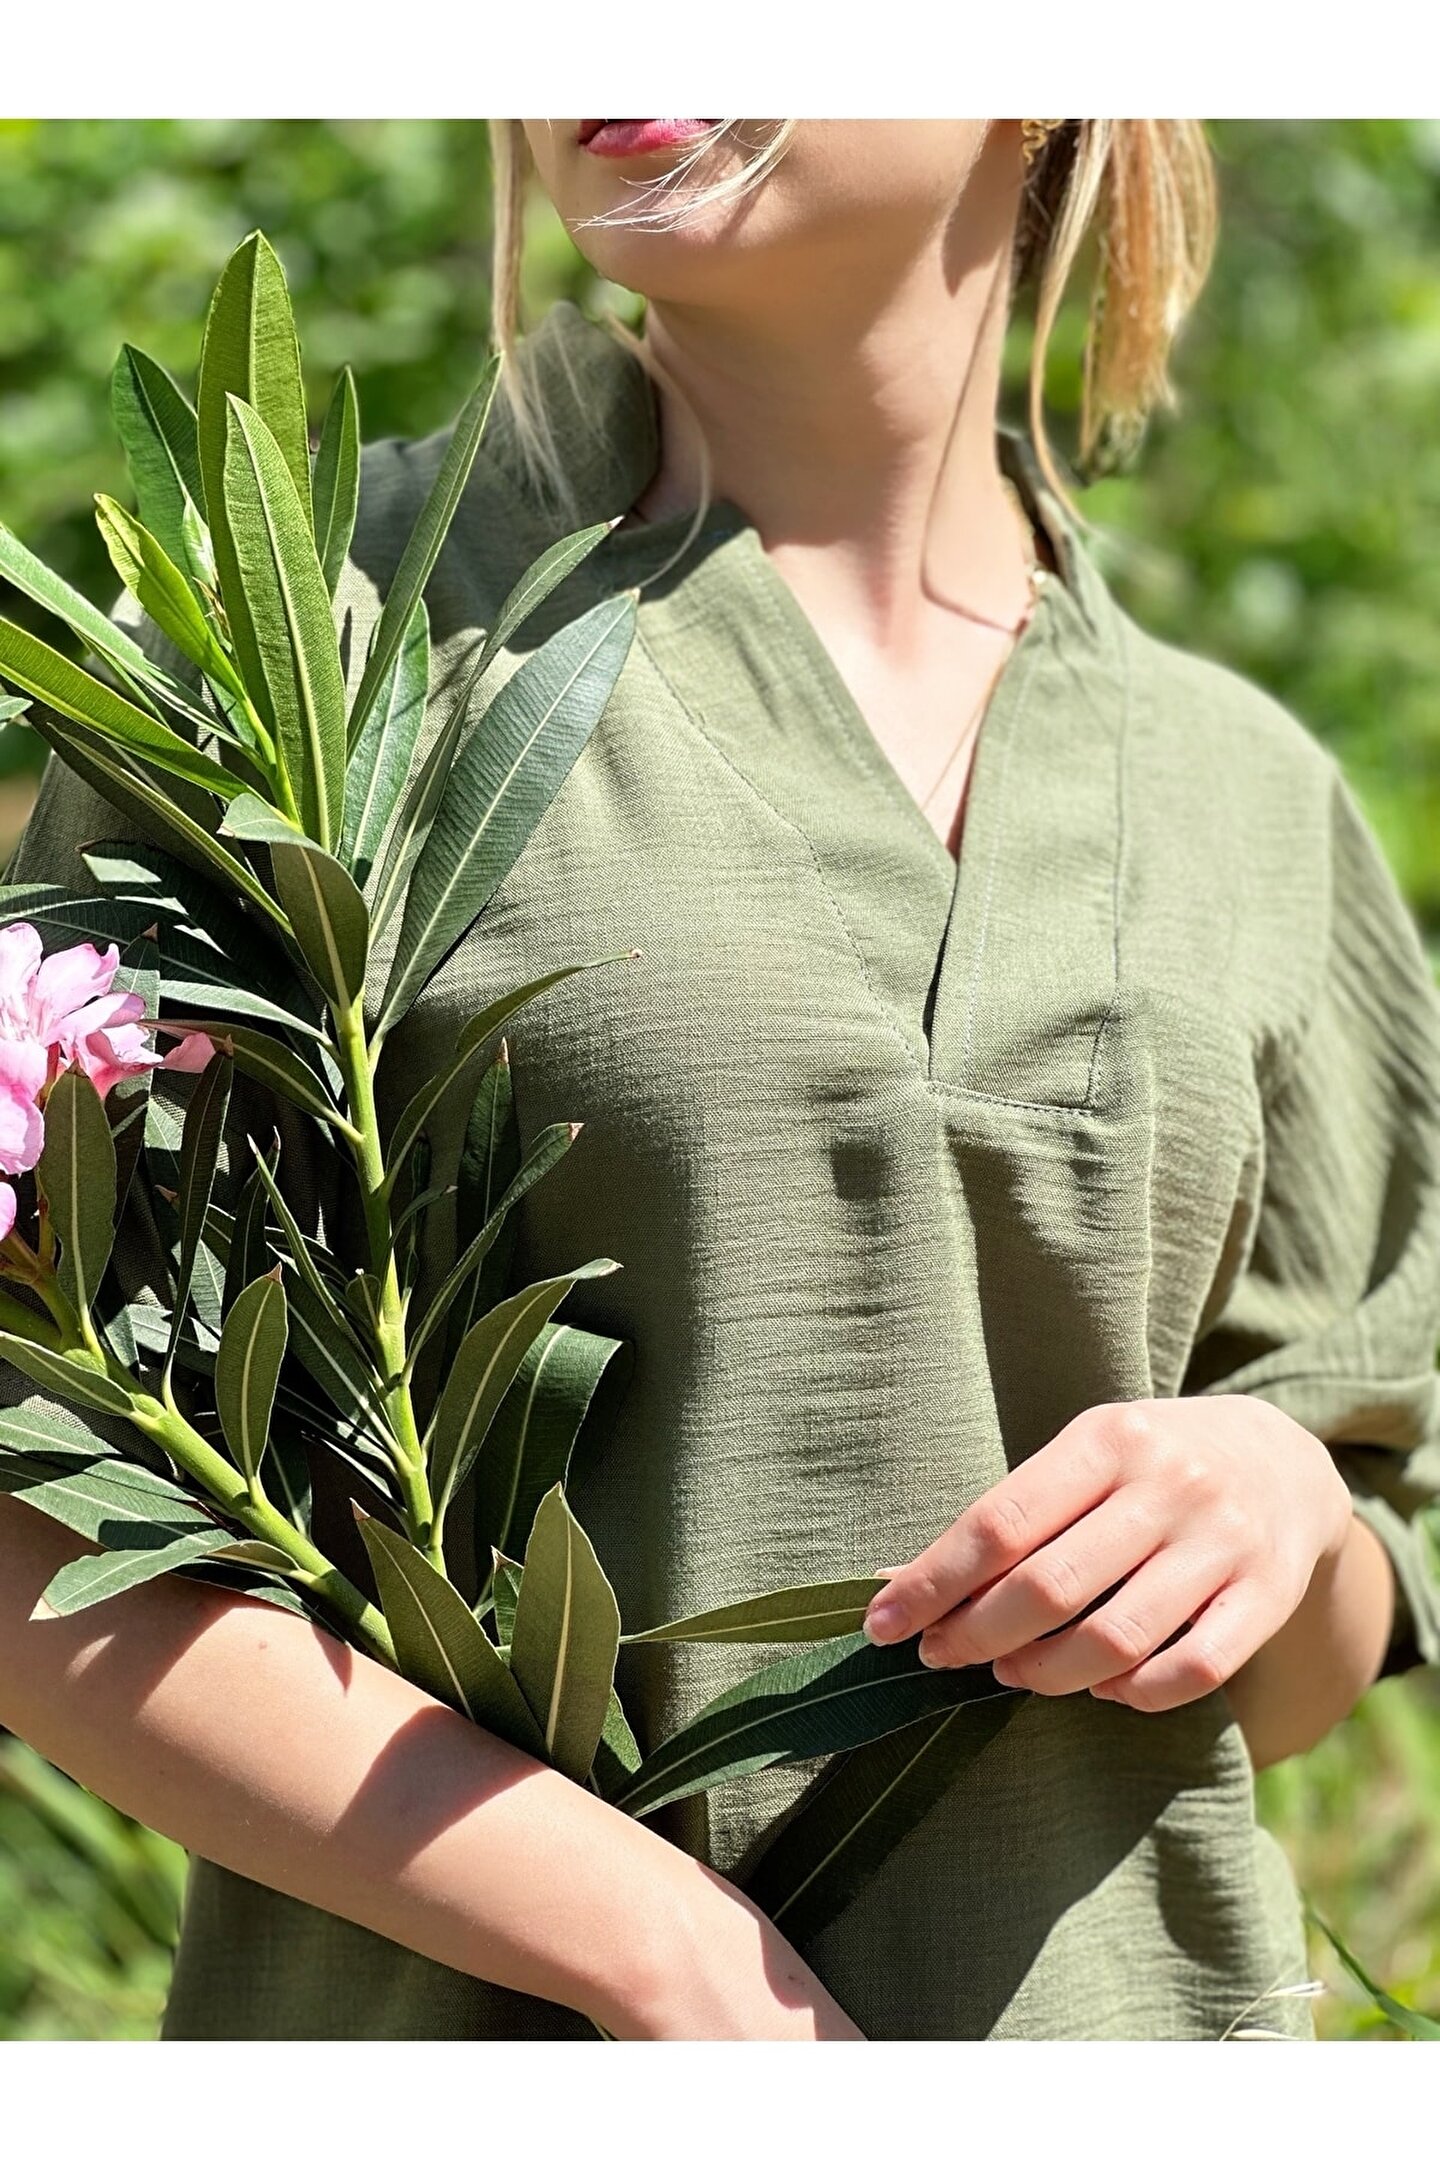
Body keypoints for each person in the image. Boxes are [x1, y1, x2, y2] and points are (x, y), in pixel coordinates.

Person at [3, 118, 1439, 2043]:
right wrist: (664, 1963)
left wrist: (1282, 1502)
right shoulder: (310, 650)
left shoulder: (1250, 796)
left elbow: (1309, 1666)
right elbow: (36, 1495)